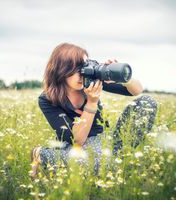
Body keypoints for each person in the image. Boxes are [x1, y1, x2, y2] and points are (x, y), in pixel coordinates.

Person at [30, 43, 157, 179]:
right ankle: (41, 153)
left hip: (104, 139)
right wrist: (91, 102)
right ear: (61, 69)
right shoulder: (47, 99)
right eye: (76, 68)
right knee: (99, 163)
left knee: (147, 102)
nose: (82, 73)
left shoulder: (91, 79)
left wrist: (118, 75)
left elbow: (137, 90)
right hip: (76, 146)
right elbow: (77, 140)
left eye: (84, 66)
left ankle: (118, 158)